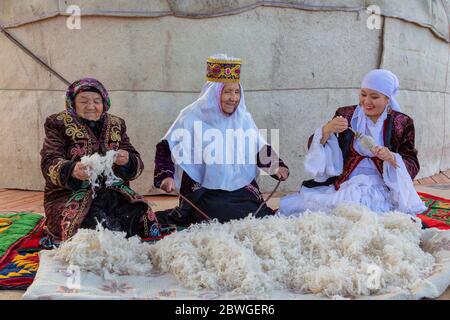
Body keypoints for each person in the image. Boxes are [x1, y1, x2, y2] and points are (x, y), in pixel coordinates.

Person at [153, 54, 289, 226]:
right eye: (227, 92)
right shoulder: (189, 117)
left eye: (237, 92)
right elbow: (166, 147)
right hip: (204, 190)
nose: (233, 98)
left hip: (240, 188)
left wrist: (277, 166)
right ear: (214, 93)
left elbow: (259, 148)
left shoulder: (243, 118)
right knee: (215, 218)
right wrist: (166, 176)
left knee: (257, 216)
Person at [279, 69, 426, 216]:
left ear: (388, 98)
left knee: (372, 212)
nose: (366, 101)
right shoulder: (346, 115)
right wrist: (327, 129)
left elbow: (411, 162)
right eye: (363, 94)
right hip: (347, 179)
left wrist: (392, 158)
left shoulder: (402, 123)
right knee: (325, 208)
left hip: (382, 182)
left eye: (374, 97)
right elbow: (317, 145)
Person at [40, 78, 158, 241]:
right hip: (70, 194)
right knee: (91, 228)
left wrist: (128, 160)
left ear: (104, 103)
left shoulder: (117, 124)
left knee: (140, 215)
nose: (91, 106)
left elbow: (136, 161)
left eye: (97, 101)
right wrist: (73, 170)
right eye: (84, 101)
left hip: (112, 193)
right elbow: (49, 160)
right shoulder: (58, 123)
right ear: (73, 103)